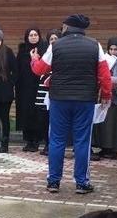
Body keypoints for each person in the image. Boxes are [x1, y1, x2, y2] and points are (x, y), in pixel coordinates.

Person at [30, 14, 112, 194]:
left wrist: (34, 59)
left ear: (67, 27)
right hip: (85, 100)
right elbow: (104, 75)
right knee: (82, 141)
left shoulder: (55, 46)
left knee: (57, 140)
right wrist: (106, 95)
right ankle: (82, 183)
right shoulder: (94, 45)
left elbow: (39, 70)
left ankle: (53, 181)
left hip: (59, 99)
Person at [93, 37, 117, 158]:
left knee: (113, 123)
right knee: (104, 122)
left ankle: (112, 148)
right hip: (104, 94)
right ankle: (104, 146)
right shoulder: (104, 59)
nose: (113, 52)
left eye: (116, 49)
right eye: (111, 49)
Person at [16, 27, 48, 152]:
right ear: (27, 37)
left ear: (39, 36)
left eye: (35, 35)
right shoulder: (23, 50)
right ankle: (29, 140)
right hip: (24, 88)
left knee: (38, 114)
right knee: (26, 113)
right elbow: (18, 68)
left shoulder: (44, 50)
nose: (33, 37)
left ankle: (37, 140)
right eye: (31, 35)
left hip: (38, 87)